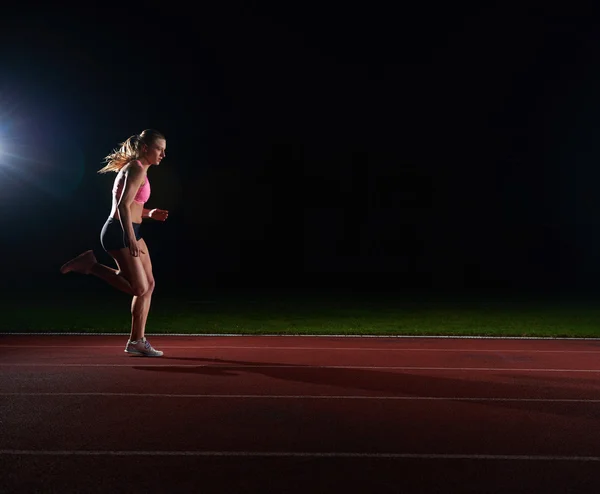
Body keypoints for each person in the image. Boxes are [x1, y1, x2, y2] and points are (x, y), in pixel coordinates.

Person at [60, 129, 169, 357]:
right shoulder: (136, 169)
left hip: (131, 229)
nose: (163, 154)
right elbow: (122, 206)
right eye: (159, 149)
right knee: (139, 288)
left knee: (148, 286)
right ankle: (91, 265)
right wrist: (130, 237)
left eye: (164, 150)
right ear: (146, 148)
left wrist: (149, 214)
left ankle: (137, 341)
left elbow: (133, 206)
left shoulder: (140, 169)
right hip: (119, 231)